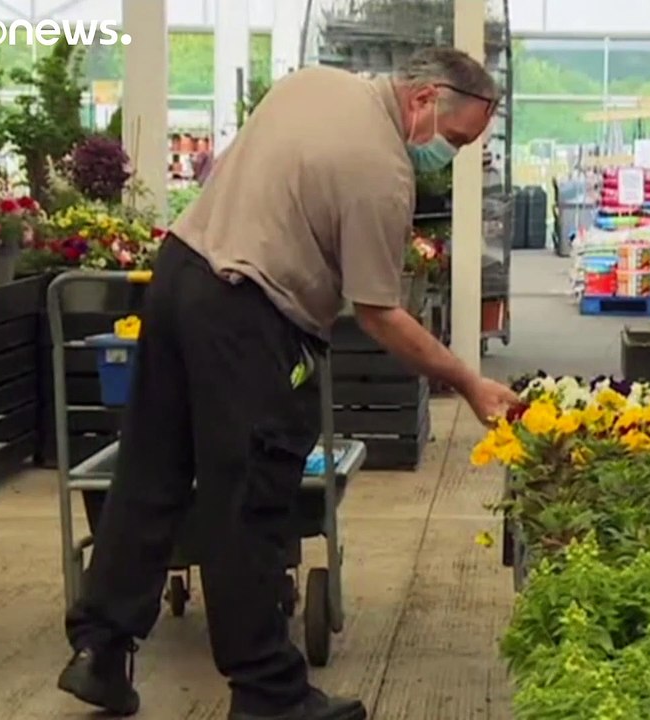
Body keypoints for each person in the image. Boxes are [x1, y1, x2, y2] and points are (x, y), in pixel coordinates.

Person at [56, 48, 518, 720]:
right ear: (423, 99)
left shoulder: (312, 83)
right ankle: (268, 693)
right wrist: (468, 382)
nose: (450, 156)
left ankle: (101, 649)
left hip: (179, 274)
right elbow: (379, 313)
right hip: (247, 314)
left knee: (151, 469)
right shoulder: (384, 172)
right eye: (455, 140)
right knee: (247, 497)